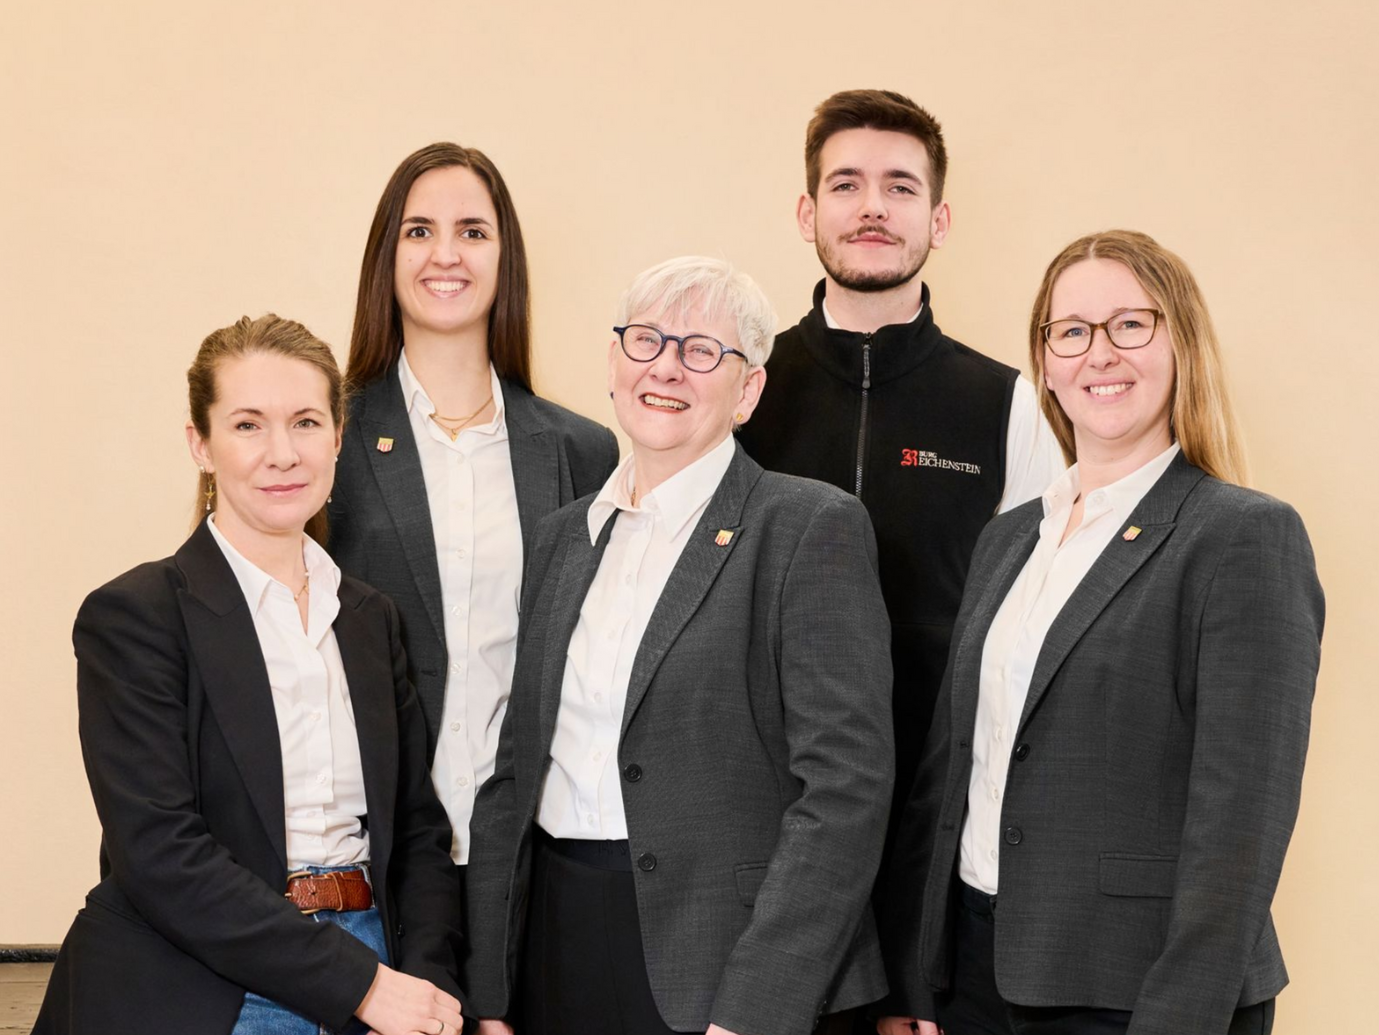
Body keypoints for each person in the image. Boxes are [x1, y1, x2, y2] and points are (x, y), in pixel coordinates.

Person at [877, 230, 1324, 1035]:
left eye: (1129, 325)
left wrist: (1181, 1015)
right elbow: (953, 768)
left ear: (1179, 341)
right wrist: (919, 975)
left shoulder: (1240, 536)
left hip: (1134, 988)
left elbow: (1241, 820)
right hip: (975, 975)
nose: (1098, 354)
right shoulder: (1010, 538)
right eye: (1071, 331)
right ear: (1044, 361)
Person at [463, 257, 895, 1035]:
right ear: (613, 361)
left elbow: (844, 793)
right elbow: (512, 773)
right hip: (555, 950)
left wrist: (755, 1012)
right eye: (646, 340)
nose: (666, 366)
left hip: (725, 964)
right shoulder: (562, 538)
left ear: (748, 391)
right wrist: (490, 991)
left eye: (702, 350)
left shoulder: (804, 529)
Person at [34, 315, 465, 1035]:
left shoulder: (369, 618)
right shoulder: (134, 617)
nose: (282, 453)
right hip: (204, 980)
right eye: (247, 425)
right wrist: (361, 987)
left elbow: (417, 830)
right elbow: (160, 853)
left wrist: (424, 985)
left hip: (380, 966)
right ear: (199, 443)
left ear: (337, 435)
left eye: (304, 421)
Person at [737, 89, 1065, 823]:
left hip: (941, 801)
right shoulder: (742, 387)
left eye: (899, 187)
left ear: (937, 220)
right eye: (845, 184)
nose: (872, 207)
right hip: (762, 796)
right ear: (806, 213)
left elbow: (1036, 613)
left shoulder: (1008, 403)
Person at [328, 143, 619, 877]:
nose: (445, 255)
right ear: (385, 258)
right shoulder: (325, 439)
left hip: (530, 855)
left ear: (504, 257)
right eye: (418, 231)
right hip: (370, 853)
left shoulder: (582, 452)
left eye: (473, 231)